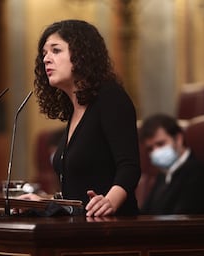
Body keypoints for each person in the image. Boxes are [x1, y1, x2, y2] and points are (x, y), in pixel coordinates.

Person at [19, 19, 141, 217]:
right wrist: (44, 201)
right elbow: (77, 194)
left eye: (56, 51)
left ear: (81, 54)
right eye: (44, 54)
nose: (46, 59)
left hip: (111, 227)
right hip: (79, 226)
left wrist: (110, 201)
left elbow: (129, 166)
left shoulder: (110, 97)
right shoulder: (75, 109)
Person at [139, 113, 204, 215]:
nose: (155, 152)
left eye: (160, 144)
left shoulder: (198, 172)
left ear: (179, 139)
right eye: (150, 149)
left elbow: (182, 217)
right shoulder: (163, 175)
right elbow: (145, 214)